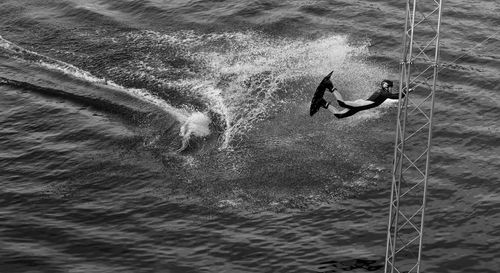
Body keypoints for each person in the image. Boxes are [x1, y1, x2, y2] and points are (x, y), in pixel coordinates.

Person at [322, 79, 411, 118]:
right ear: (386, 86)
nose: (391, 88)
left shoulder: (383, 92)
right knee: (342, 103)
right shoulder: (384, 93)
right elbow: (397, 96)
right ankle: (330, 86)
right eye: (391, 87)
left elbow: (397, 95)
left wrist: (405, 91)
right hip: (361, 105)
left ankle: (323, 103)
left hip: (361, 105)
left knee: (339, 115)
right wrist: (406, 91)